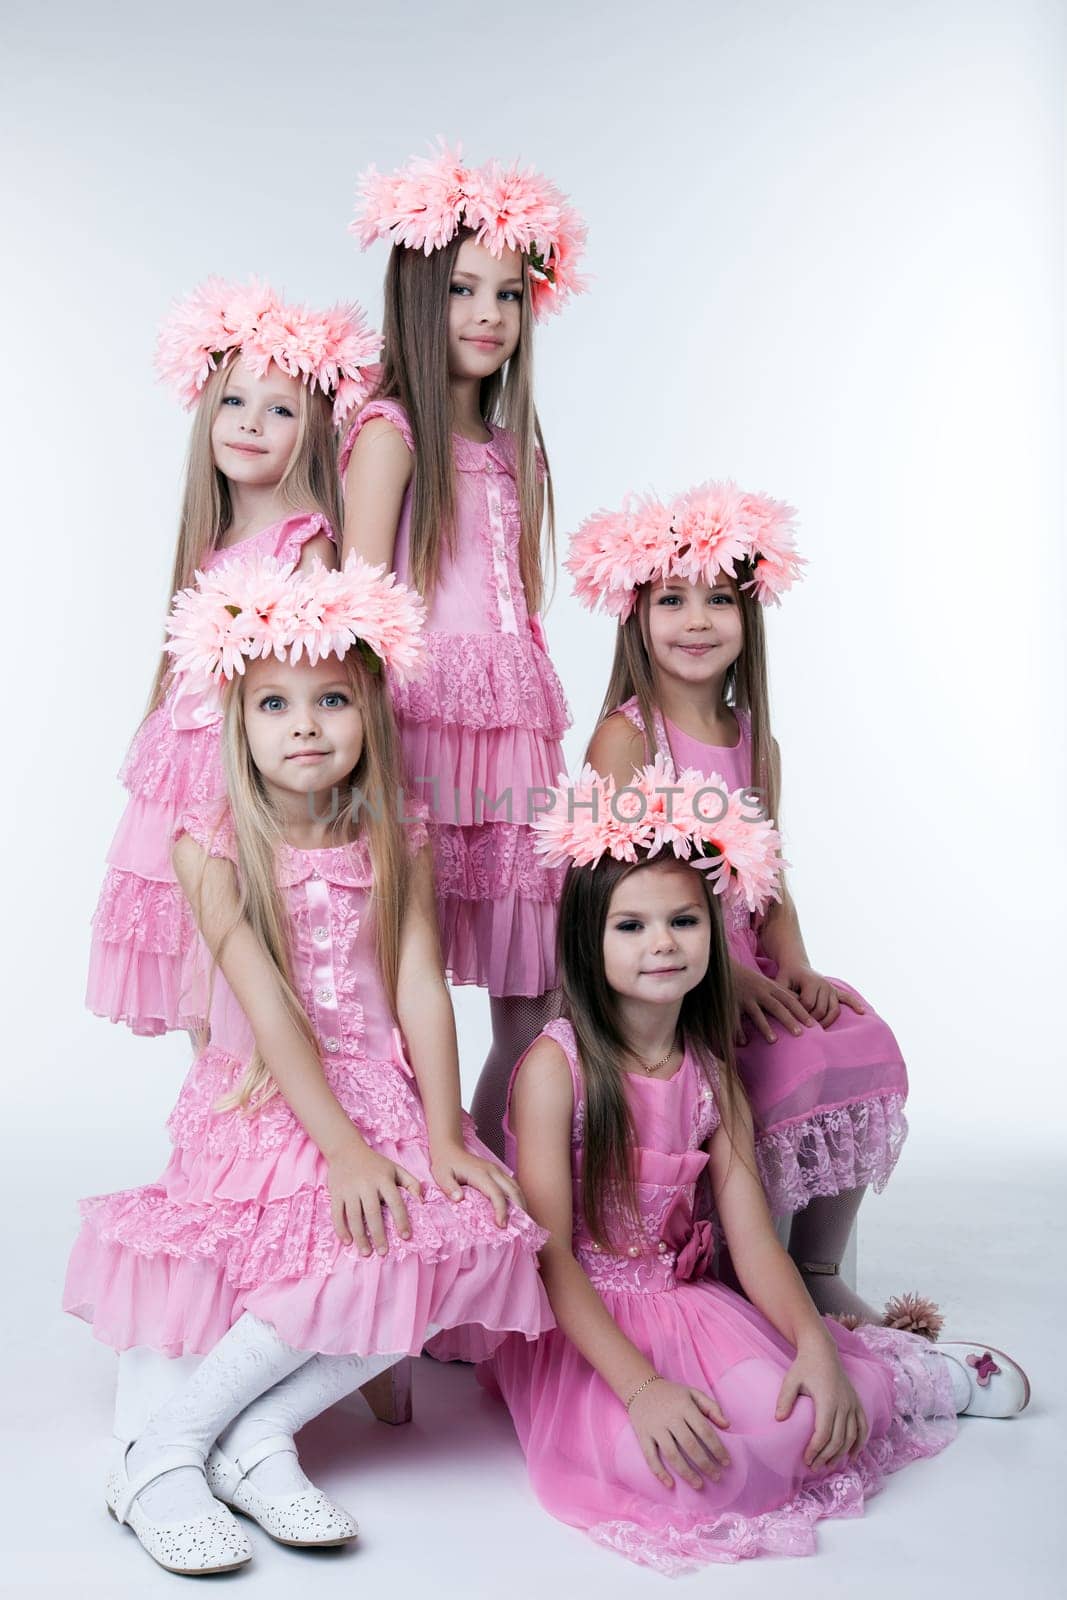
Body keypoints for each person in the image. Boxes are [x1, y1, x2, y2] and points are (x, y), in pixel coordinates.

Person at [66, 555, 552, 1574]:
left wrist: (438, 1132)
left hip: (379, 1090)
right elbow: (267, 1008)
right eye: (276, 701)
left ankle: (252, 1433)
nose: (305, 723)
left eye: (330, 698)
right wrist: (338, 1149)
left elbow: (420, 981)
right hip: (267, 1098)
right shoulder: (210, 845)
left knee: (473, 1224)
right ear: (236, 718)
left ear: (369, 709)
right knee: (352, 1237)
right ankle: (166, 1450)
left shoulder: (397, 828)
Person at [485, 764, 1029, 1573]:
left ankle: (918, 1378)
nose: (662, 944)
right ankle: (888, 1380)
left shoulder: (708, 1074)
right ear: (586, 942)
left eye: (682, 921)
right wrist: (641, 1391)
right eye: (630, 927)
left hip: (685, 1303)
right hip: (585, 1326)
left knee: (801, 1415)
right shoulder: (553, 1071)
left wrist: (809, 1341)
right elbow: (552, 1257)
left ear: (714, 929)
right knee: (683, 1471)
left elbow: (755, 1244)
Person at [575, 483, 921, 1324]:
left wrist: (791, 963)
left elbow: (768, 876)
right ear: (635, 613)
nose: (695, 621)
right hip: (669, 975)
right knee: (788, 1066)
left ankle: (814, 1263)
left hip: (750, 965)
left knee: (859, 1038)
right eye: (671, 600)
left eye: (718, 601)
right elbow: (608, 888)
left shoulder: (753, 737)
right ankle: (745, 1259)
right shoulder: (630, 737)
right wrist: (724, 976)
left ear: (748, 615)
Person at [343, 142, 587, 1152]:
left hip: (512, 737)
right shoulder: (392, 430)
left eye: (506, 293)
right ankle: (429, 1187)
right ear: (415, 293)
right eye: (460, 290)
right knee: (408, 983)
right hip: (416, 735)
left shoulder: (512, 446)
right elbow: (357, 609)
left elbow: (510, 597)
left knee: (532, 992)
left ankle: (516, 1193)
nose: (487, 313)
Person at [86, 275, 379, 1037]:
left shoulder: (306, 538)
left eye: (279, 409)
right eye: (234, 403)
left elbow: (323, 670)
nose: (250, 424)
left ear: (312, 427)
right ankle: (219, 1137)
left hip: (250, 772)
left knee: (258, 962)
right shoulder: (208, 543)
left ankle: (274, 1122)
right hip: (181, 773)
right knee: (201, 966)